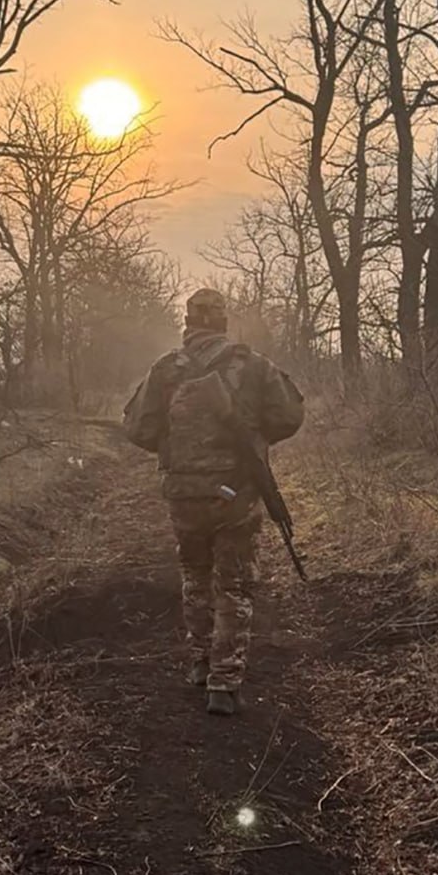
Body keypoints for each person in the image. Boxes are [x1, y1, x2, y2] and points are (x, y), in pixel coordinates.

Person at [122, 288, 305, 715]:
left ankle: (200, 665)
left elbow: (138, 430)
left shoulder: (166, 370)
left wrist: (181, 449)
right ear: (223, 321)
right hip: (237, 493)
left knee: (195, 576)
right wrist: (252, 437)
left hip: (184, 494)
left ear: (189, 322)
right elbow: (290, 417)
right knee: (234, 583)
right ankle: (224, 683)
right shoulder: (254, 365)